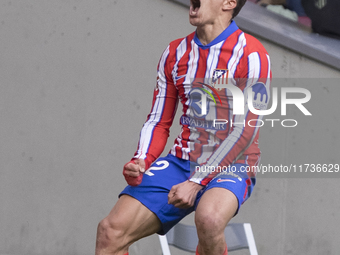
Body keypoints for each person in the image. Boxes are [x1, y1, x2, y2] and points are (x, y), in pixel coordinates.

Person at [95, 0, 272, 254]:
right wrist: (142, 159)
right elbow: (158, 120)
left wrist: (198, 181)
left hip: (233, 164)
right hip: (181, 162)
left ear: (229, 2)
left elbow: (246, 131)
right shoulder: (174, 52)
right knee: (110, 232)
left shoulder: (253, 55)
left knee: (209, 220)